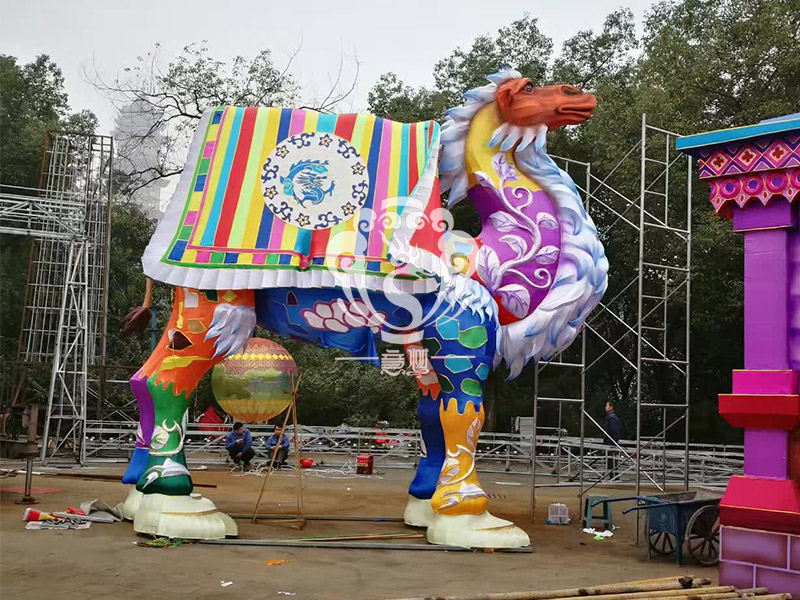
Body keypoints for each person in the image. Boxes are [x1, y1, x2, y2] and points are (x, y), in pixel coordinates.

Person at [604, 402, 621, 478]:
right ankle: (614, 475)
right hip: (611, 441)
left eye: (607, 406)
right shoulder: (612, 417)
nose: (605, 407)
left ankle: (613, 476)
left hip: (611, 442)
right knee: (612, 459)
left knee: (611, 459)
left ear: (611, 407)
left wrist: (610, 441)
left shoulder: (611, 417)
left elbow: (613, 430)